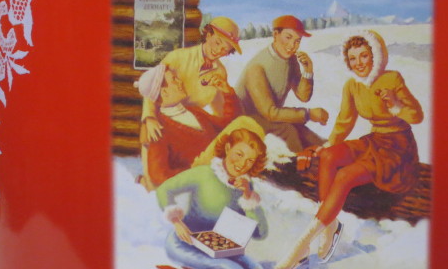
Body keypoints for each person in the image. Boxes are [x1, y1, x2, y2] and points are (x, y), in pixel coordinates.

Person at [274, 30, 424, 269]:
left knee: (345, 176)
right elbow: (344, 121)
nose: (359, 63)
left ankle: (302, 244)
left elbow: (417, 116)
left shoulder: (392, 79)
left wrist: (396, 104)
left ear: (375, 56)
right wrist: (329, 145)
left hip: (398, 148)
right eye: (353, 58)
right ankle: (330, 225)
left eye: (364, 56)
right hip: (375, 140)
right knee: (328, 156)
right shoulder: (352, 85)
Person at [144, 128, 269, 269]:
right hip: (186, 242)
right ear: (227, 148)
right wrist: (176, 221)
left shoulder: (245, 186)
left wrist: (248, 196)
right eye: (239, 154)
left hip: (218, 246)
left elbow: (260, 233)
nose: (242, 164)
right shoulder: (204, 174)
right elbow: (164, 189)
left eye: (250, 160)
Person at [135, 63, 261, 187]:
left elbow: (227, 125)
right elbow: (158, 175)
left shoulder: (193, 111)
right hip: (203, 174)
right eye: (174, 79)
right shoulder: (158, 128)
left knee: (246, 125)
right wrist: (196, 175)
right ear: (164, 92)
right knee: (245, 123)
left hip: (225, 164)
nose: (180, 81)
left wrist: (227, 93)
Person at [141, 16, 242, 145]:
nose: (218, 51)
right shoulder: (177, 57)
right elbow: (151, 86)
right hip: (162, 124)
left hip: (189, 128)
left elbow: (220, 111)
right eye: (217, 43)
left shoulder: (220, 73)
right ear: (208, 35)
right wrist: (149, 117)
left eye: (225, 49)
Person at [235, 15, 328, 153]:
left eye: (297, 41)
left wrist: (308, 72)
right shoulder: (258, 66)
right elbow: (270, 113)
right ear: (275, 35)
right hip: (246, 121)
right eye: (288, 37)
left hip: (271, 118)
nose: (292, 45)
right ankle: (301, 162)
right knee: (288, 130)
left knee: (303, 131)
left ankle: (329, 151)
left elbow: (303, 96)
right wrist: (309, 114)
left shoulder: (291, 60)